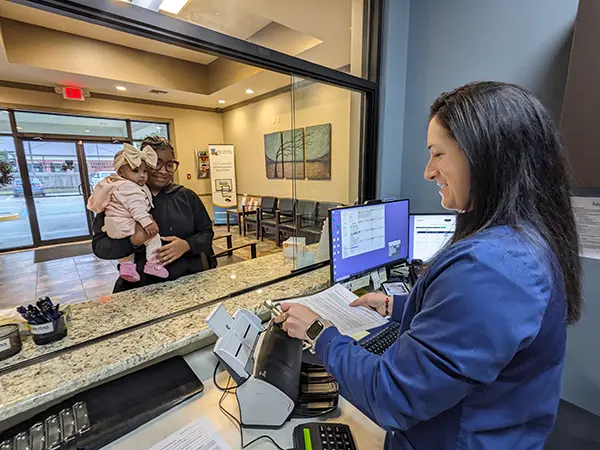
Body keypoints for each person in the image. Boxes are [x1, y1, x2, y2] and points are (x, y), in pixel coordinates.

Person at [276, 82, 582, 449]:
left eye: (438, 154)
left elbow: (392, 396)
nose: (428, 172)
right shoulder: (523, 240)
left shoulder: (491, 269)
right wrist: (396, 305)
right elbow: (478, 328)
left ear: (485, 156)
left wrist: (318, 332)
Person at [92, 136, 215, 293]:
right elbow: (100, 247)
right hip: (140, 287)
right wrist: (133, 241)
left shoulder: (186, 196)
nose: (163, 171)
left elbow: (206, 233)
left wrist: (187, 245)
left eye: (169, 165)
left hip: (187, 282)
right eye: (156, 163)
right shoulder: (117, 196)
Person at [87, 143, 168, 282]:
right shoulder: (130, 188)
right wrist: (147, 224)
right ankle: (154, 264)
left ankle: (127, 268)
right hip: (127, 225)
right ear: (121, 173)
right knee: (153, 238)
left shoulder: (115, 186)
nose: (142, 176)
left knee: (125, 254)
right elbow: (136, 208)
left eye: (145, 171)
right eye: (135, 171)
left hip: (114, 227)